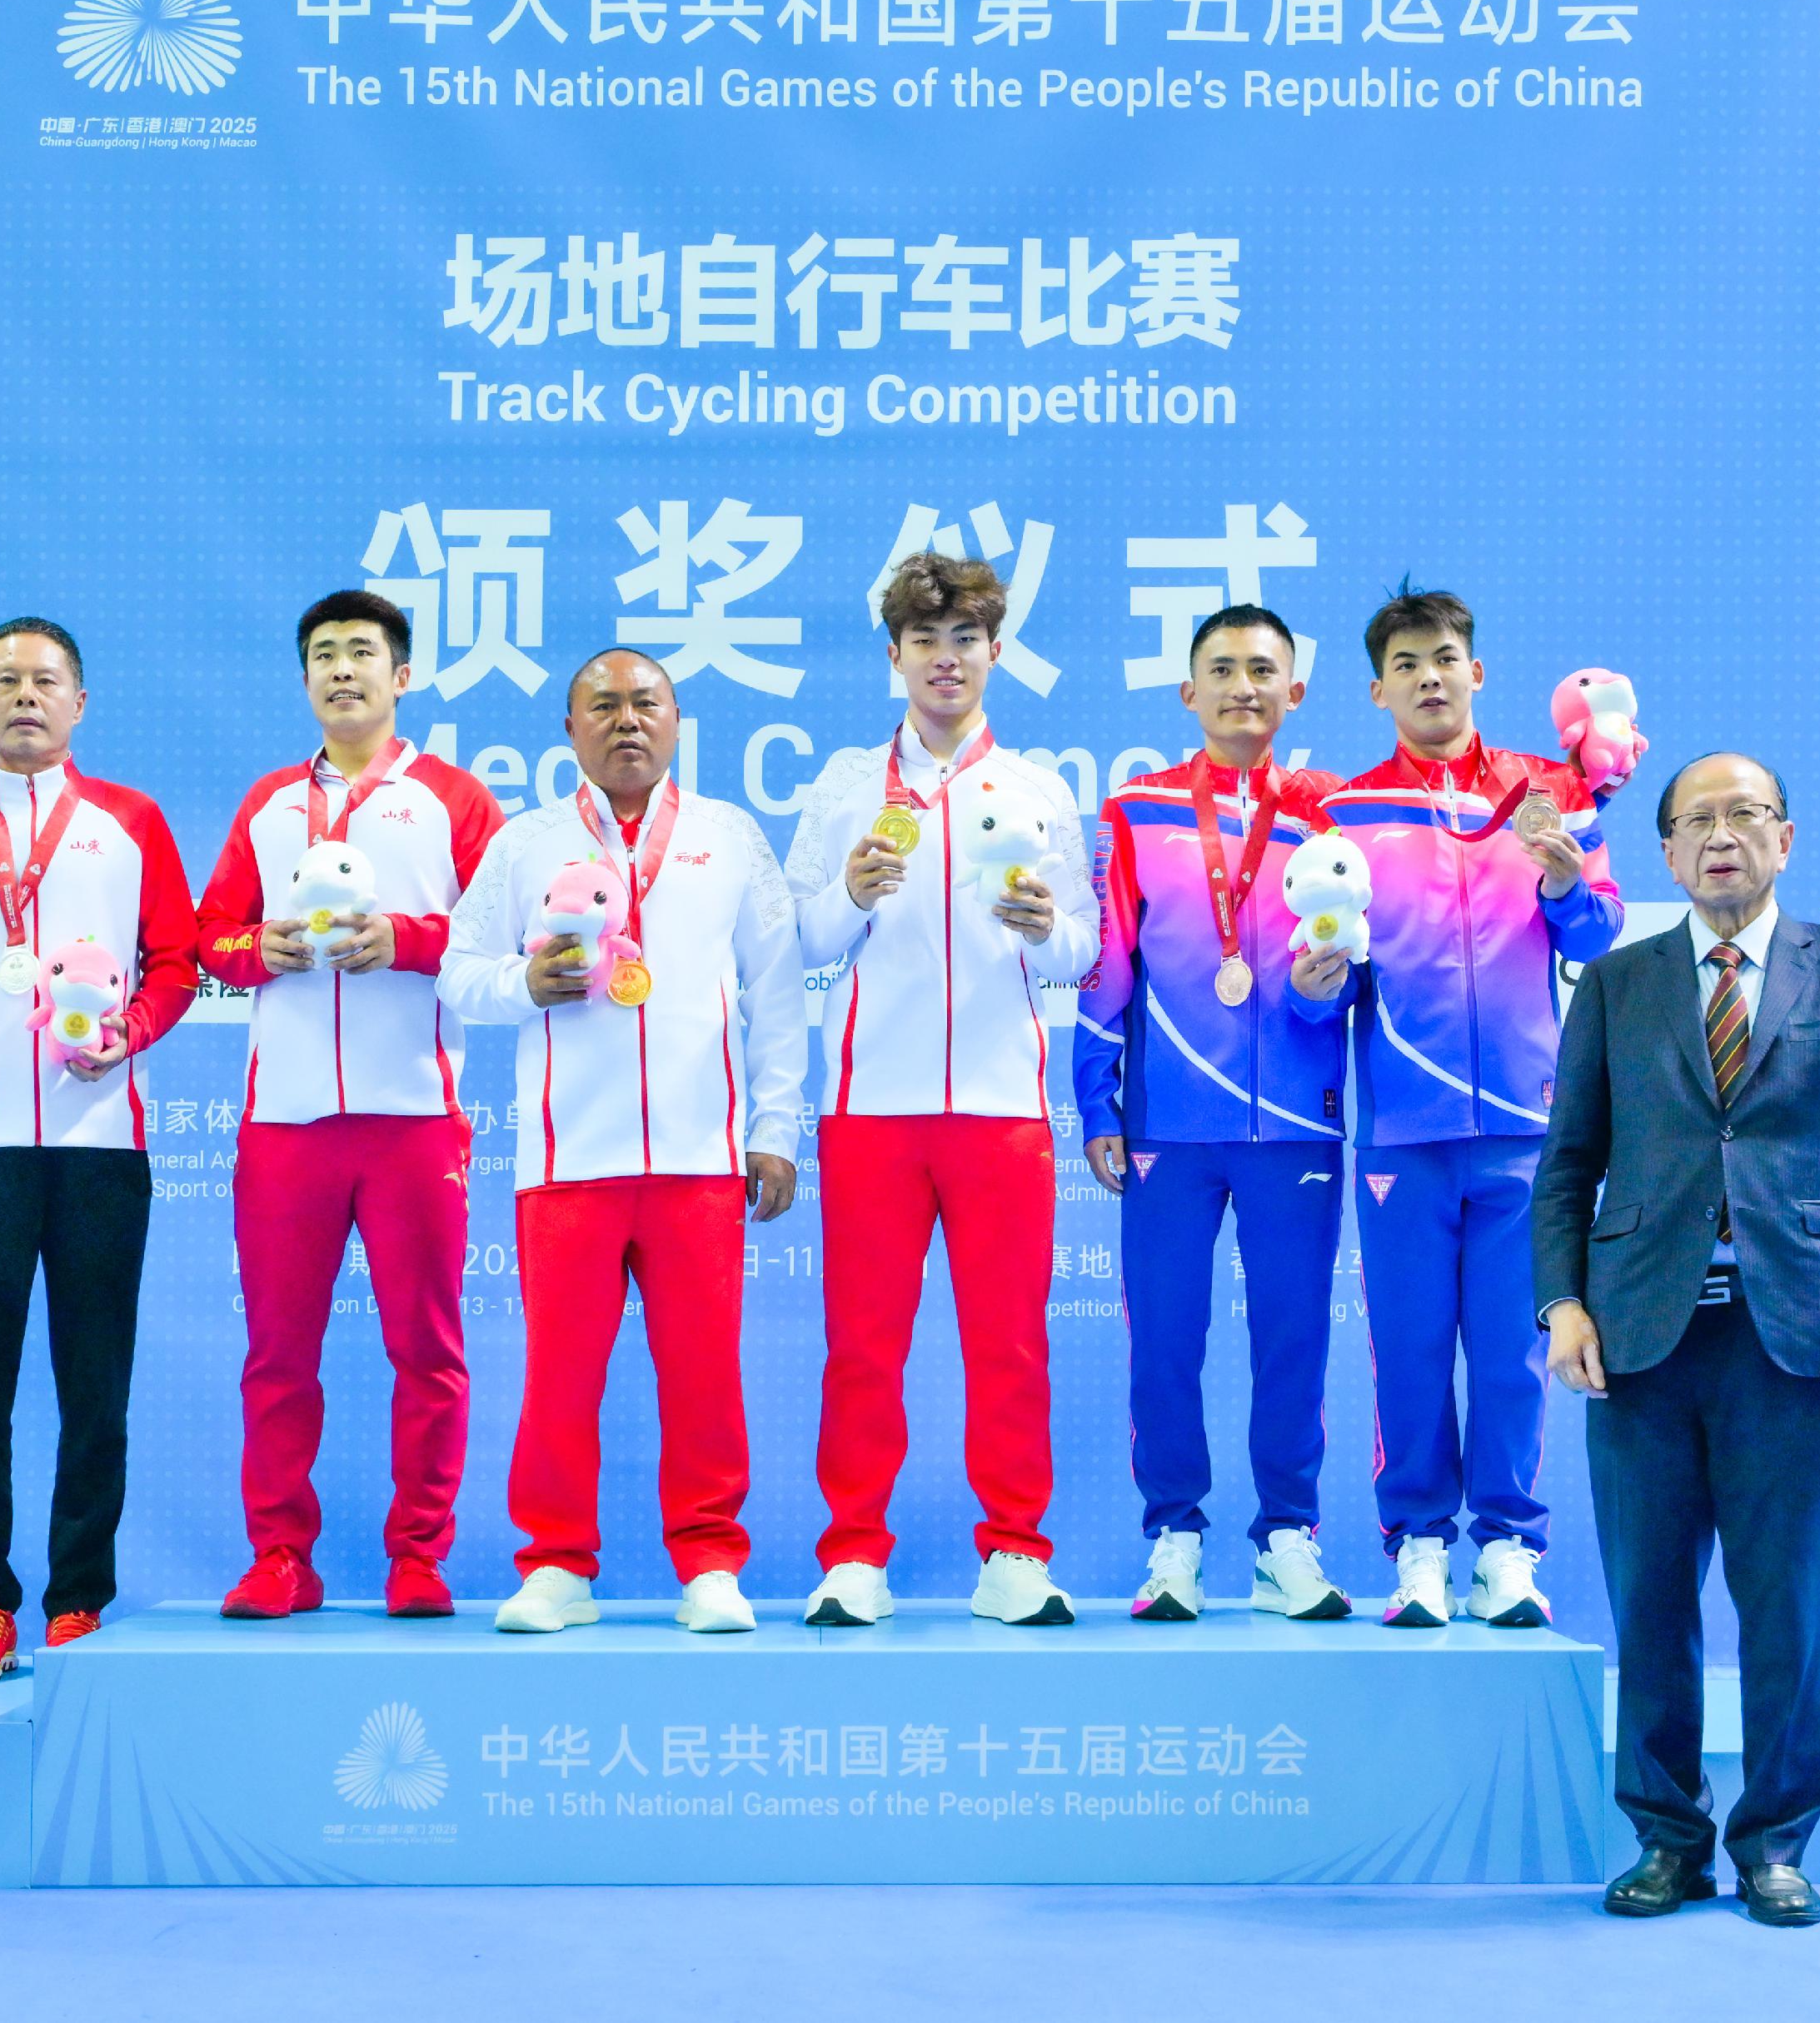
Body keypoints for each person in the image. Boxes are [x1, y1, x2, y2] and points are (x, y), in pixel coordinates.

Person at [1533, 753, 1820, 1928]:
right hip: (1640, 1338)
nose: (1720, 835)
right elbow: (1566, 1167)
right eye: (1695, 819)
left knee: (1785, 1603)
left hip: (1795, 1337)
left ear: (1786, 838)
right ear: (1663, 853)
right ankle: (1667, 1837)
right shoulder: (1615, 981)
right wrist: (1561, 1304)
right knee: (1649, 1601)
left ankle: (1775, 1843)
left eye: (1743, 814)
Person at [439, 650, 805, 1633]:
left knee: (703, 1371)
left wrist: (773, 1128)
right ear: (570, 730)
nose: (626, 721)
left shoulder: (729, 838)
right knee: (559, 1374)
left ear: (677, 722)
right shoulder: (525, 845)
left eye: (646, 703)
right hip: (569, 1162)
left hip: (700, 1161)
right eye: (602, 706)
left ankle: (710, 1564)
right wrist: (522, 984)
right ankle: (557, 1564)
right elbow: (457, 975)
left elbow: (776, 993)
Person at [782, 554, 1099, 1627]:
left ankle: (1014, 1549)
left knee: (1006, 1340)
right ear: (894, 660)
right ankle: (854, 1554)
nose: (945, 660)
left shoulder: (1040, 791)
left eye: (964, 640)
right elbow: (800, 939)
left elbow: (1082, 956)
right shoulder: (842, 788)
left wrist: (1045, 927)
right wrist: (850, 895)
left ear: (994, 653)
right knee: (863, 1343)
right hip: (871, 1111)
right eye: (925, 642)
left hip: (1002, 1112)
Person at [0, 618, 199, 1679]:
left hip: (101, 1141)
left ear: (80, 703)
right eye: (6, 681)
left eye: (47, 681)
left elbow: (177, 963)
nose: (27, 696)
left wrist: (132, 1035)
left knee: (93, 1385)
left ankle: (78, 1600)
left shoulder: (129, 821)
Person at [193, 590, 504, 1619]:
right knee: (279, 1353)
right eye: (321, 655)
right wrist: (257, 951)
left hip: (414, 1118)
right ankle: (281, 1554)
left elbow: (493, 947)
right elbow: (211, 937)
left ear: (401, 676)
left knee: (428, 1347)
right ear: (304, 679)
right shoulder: (270, 803)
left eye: (361, 654)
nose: (341, 671)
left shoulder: (455, 802)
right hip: (284, 1123)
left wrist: (407, 941)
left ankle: (419, 1555)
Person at [1318, 589, 1622, 1630]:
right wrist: (1322, 975)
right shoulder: (1348, 815)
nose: (1430, 677)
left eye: (1446, 657)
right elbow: (1331, 982)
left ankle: (1508, 1551)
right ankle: (1416, 1551)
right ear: (1378, 690)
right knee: (1406, 1351)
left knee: (1510, 1355)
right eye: (1407, 664)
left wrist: (1562, 885)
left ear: (1477, 672)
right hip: (1403, 1129)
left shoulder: (1550, 792)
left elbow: (1592, 938)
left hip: (1524, 1130)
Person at [1078, 605, 1358, 1623]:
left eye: (1265, 670)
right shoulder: (1136, 813)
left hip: (1297, 1121)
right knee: (1165, 1336)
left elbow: (1359, 972)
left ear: (1295, 691)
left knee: (1293, 1336)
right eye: (1223, 669)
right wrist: (1095, 1100)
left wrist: (1329, 990)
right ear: (1187, 691)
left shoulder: (1332, 815)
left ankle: (1288, 1536)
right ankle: (1174, 1539)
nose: (1245, 686)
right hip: (1168, 1124)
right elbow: (1108, 965)